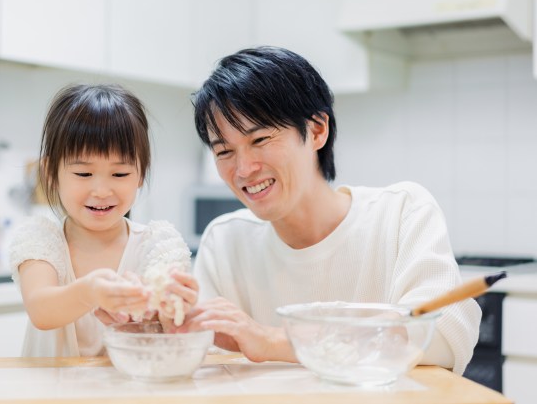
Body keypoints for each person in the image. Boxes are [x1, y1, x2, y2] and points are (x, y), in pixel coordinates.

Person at [180, 46, 481, 375]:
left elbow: (445, 337)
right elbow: (202, 361)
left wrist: (273, 341)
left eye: (261, 139)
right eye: (224, 151)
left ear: (317, 130)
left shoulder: (400, 214)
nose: (243, 169)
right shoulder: (225, 241)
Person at [9, 84, 198, 357]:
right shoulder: (41, 238)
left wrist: (175, 307)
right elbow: (41, 309)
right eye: (84, 174)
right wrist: (91, 292)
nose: (101, 191)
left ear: (140, 174)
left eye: (119, 174)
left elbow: (169, 328)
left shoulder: (157, 244)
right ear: (51, 173)